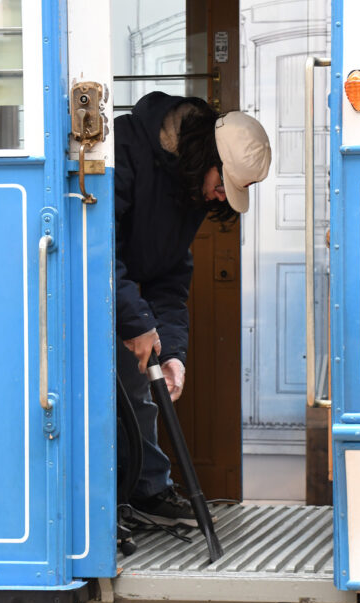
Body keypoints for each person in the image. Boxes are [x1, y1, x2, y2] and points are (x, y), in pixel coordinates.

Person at [114, 92, 271, 525]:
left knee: (141, 385)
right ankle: (119, 499)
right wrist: (137, 322)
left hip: (120, 291)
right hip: (86, 288)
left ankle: (146, 491)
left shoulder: (189, 187)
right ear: (207, 155)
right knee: (115, 390)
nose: (221, 199)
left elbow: (169, 273)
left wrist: (172, 351)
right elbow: (97, 249)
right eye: (223, 185)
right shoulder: (125, 148)